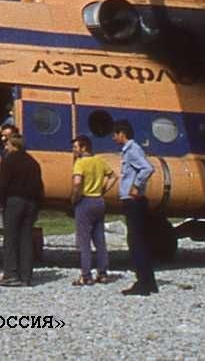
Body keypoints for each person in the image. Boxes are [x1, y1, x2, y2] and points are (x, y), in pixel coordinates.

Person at [0, 126, 43, 286]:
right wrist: (38, 205)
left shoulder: (9, 160)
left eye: (7, 145)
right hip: (31, 203)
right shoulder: (33, 162)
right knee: (26, 238)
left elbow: (3, 183)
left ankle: (11, 274)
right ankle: (26, 276)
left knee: (11, 238)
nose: (6, 147)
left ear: (13, 146)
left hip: (14, 201)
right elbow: (39, 186)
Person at [113, 120, 159, 295]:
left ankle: (143, 284)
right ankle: (149, 282)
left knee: (136, 242)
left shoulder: (132, 150)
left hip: (133, 201)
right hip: (133, 201)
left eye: (115, 134)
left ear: (122, 134)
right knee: (140, 240)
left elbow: (147, 168)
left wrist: (136, 186)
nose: (114, 138)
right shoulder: (131, 150)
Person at [69, 134, 111, 286]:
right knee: (100, 239)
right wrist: (103, 189)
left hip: (85, 201)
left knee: (84, 240)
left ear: (84, 147)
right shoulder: (99, 161)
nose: (73, 150)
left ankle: (86, 275)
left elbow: (77, 182)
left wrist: (74, 197)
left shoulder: (80, 163)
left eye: (75, 147)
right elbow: (113, 176)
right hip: (99, 200)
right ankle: (103, 273)